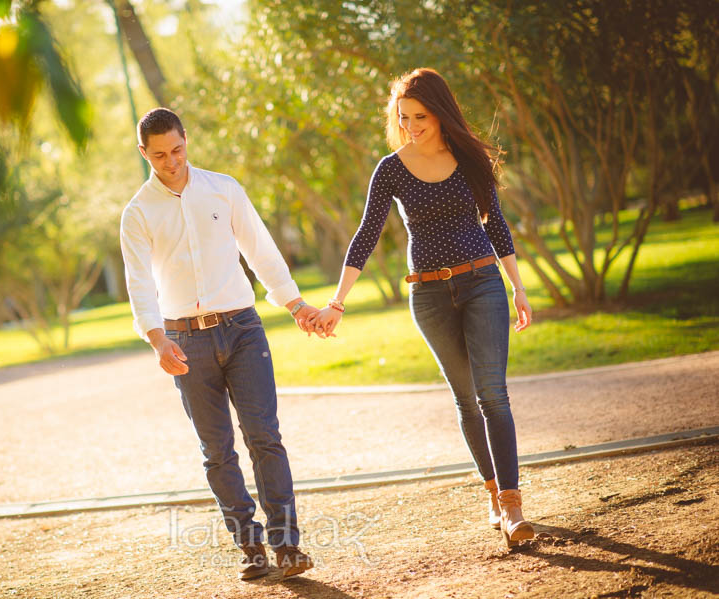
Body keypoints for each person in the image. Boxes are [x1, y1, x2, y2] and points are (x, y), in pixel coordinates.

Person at [311, 68, 535, 548]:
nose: (412, 125)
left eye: (421, 116)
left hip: (482, 283)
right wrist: (337, 302)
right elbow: (367, 233)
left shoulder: (469, 158)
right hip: (429, 295)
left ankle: (514, 507)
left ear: (440, 113)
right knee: (465, 398)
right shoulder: (391, 168)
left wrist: (517, 287)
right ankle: (493, 495)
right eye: (404, 117)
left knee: (492, 394)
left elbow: (496, 225)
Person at [119, 108, 317, 579]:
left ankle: (287, 546)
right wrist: (156, 339)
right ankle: (250, 548)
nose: (172, 162)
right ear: (144, 153)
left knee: (265, 437)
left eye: (178, 150)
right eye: (161, 155)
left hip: (243, 329)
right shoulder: (138, 213)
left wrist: (295, 305)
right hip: (186, 341)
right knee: (217, 451)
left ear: (187, 139)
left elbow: (261, 250)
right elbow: (139, 283)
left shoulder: (223, 189)